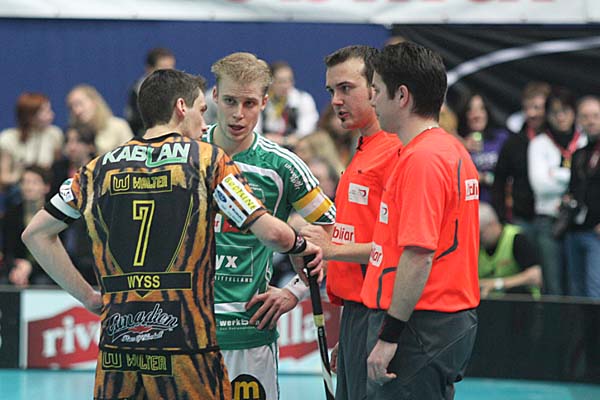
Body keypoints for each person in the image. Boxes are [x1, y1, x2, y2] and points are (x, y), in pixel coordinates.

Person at [21, 68, 323, 400]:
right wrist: (300, 245)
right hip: (186, 345)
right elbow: (273, 235)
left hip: (119, 347)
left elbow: (35, 235)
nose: (204, 123)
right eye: (201, 110)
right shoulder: (206, 160)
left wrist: (89, 297)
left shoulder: (98, 168)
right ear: (181, 107)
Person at [203, 52, 335, 399]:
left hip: (248, 332)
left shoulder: (282, 166)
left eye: (249, 103)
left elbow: (334, 230)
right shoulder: (185, 153)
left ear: (264, 102)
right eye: (230, 101)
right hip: (185, 330)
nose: (238, 113)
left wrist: (295, 291)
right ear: (214, 97)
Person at [363, 42, 479, 399]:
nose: (371, 101)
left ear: (401, 96)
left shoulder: (423, 160)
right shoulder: (447, 149)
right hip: (435, 322)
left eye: (376, 91)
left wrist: (389, 337)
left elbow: (418, 255)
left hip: (421, 325)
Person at [299, 45, 402, 400]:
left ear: (376, 89)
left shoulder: (396, 152)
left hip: (382, 316)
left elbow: (398, 250)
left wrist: (330, 249)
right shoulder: (362, 149)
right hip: (357, 315)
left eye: (346, 88)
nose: (336, 101)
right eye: (332, 91)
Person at [528, 86, 587, 295]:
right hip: (548, 221)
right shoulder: (539, 144)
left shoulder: (584, 141)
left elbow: (589, 182)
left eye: (565, 111)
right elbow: (540, 185)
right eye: (555, 112)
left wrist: (556, 174)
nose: (560, 117)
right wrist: (573, 178)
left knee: (578, 286)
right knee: (553, 286)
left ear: (574, 112)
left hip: (578, 222)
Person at [492, 82, 550, 234]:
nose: (531, 113)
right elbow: (499, 182)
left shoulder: (559, 141)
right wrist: (502, 217)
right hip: (522, 218)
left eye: (537, 107)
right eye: (527, 108)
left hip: (553, 220)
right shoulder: (513, 143)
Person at [564, 96, 600, 298]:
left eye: (595, 116)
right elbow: (573, 189)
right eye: (585, 117)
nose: (591, 121)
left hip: (596, 234)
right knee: (576, 294)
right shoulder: (579, 154)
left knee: (594, 293)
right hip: (574, 230)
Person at [1, 166, 53, 286]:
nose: (28, 187)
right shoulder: (11, 214)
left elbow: (61, 253)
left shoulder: (56, 215)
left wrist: (31, 267)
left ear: (46, 187)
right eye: (25, 182)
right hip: (18, 267)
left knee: (42, 282)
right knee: (5, 281)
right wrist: (18, 267)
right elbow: (8, 250)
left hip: (48, 269)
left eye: (34, 182)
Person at [478, 202, 542, 298]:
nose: (478, 239)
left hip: (520, 301)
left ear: (492, 224)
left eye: (481, 233)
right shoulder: (476, 246)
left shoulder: (516, 238)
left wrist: (497, 284)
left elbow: (535, 276)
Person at [458, 93, 509, 203]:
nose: (476, 115)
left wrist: (488, 178)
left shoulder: (501, 138)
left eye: (481, 109)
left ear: (487, 112)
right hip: (471, 206)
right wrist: (462, 144)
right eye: (471, 110)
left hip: (500, 204)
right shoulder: (457, 144)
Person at [261, 61, 319, 149]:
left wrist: (285, 140)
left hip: (296, 147)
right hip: (265, 147)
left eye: (289, 80)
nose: (285, 85)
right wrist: (265, 138)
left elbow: (307, 130)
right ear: (270, 82)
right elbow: (255, 131)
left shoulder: (303, 99)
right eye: (281, 81)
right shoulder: (262, 100)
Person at [67, 84, 133, 155]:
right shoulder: (74, 136)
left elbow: (132, 154)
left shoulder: (118, 126)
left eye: (80, 104)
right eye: (71, 107)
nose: (77, 111)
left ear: (94, 102)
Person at [125, 47, 176, 136]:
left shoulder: (179, 88)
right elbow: (135, 121)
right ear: (149, 69)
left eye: (171, 68)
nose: (168, 74)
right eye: (163, 69)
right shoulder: (139, 89)